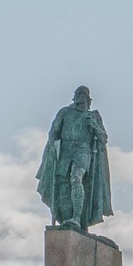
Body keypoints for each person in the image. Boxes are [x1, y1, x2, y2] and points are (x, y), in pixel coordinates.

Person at [36, 85, 113, 230]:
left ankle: (77, 218)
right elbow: (54, 131)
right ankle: (67, 218)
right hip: (65, 151)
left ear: (88, 98)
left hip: (83, 151)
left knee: (76, 178)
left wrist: (95, 126)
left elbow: (103, 138)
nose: (78, 96)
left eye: (82, 94)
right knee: (63, 186)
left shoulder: (93, 116)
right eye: (77, 93)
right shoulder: (65, 112)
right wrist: (53, 145)